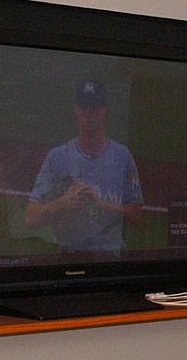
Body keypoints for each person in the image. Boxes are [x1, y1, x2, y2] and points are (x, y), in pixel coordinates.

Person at [25, 79, 143, 255]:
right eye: (84, 107)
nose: (89, 114)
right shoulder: (57, 157)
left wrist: (101, 204)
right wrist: (63, 203)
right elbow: (31, 218)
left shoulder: (122, 157)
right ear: (76, 110)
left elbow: (136, 216)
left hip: (109, 260)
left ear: (104, 111)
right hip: (67, 257)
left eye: (94, 108)